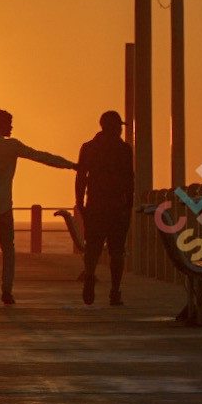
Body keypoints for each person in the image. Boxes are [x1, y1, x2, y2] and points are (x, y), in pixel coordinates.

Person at [0, 109, 77, 306]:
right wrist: (70, 165)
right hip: (3, 206)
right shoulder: (12, 146)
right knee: (8, 250)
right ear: (0, 124)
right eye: (9, 123)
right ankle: (7, 291)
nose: (11, 127)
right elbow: (41, 156)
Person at [74, 110, 135, 305]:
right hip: (117, 205)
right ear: (113, 127)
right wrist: (129, 205)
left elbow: (81, 176)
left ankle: (90, 274)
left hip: (96, 204)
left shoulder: (89, 147)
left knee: (93, 246)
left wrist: (80, 203)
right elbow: (129, 180)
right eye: (118, 127)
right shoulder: (124, 150)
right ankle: (115, 291)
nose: (120, 131)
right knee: (117, 251)